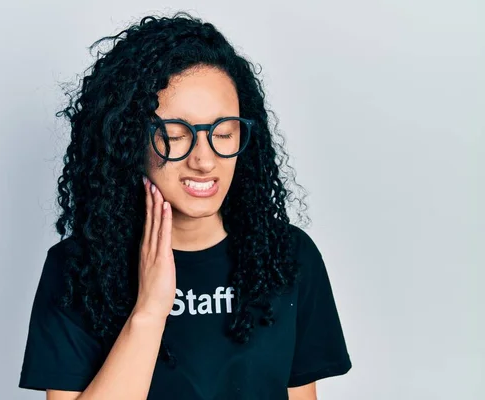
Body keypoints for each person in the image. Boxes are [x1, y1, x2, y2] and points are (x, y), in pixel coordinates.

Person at [18, 12, 352, 400]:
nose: (204, 159)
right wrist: (149, 312)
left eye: (224, 133)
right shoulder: (77, 270)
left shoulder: (288, 256)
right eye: (175, 136)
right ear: (129, 141)